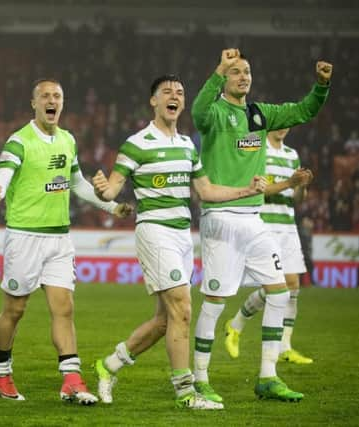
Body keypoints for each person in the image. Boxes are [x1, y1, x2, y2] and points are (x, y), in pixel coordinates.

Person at [91, 75, 266, 410]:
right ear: (153, 102)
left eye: (180, 93)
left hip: (183, 235)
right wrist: (103, 190)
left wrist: (247, 190)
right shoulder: (137, 143)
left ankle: (109, 365)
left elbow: (207, 191)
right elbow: (113, 189)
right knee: (183, 309)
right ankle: (187, 393)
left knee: (165, 320)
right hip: (154, 231)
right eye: (167, 92)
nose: (175, 96)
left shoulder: (188, 145)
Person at [191, 48, 332, 403]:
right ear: (225, 78)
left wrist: (321, 85)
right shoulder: (216, 113)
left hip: (254, 218)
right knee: (216, 299)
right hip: (221, 216)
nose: (243, 76)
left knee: (280, 291)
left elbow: (303, 111)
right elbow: (197, 113)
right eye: (235, 72)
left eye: (247, 71)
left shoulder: (260, 114)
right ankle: (200, 378)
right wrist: (217, 69)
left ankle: (268, 377)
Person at [0, 78, 131, 405]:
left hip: (59, 238)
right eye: (45, 96)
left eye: (57, 96)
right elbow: (4, 173)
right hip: (24, 237)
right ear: (34, 103)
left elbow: (78, 184)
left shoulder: (67, 140)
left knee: (64, 308)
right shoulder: (19, 141)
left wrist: (112, 205)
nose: (52, 101)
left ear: (62, 104)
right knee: (15, 309)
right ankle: (1, 373)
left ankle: (72, 381)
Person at [224, 128, 314, 364]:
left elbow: (297, 198)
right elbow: (258, 191)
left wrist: (301, 185)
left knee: (292, 285)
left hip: (287, 226)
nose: (284, 127)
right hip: (263, 225)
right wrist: (289, 182)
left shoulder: (291, 154)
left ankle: (285, 346)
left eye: (288, 123)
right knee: (276, 286)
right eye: (279, 122)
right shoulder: (256, 148)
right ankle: (237, 325)